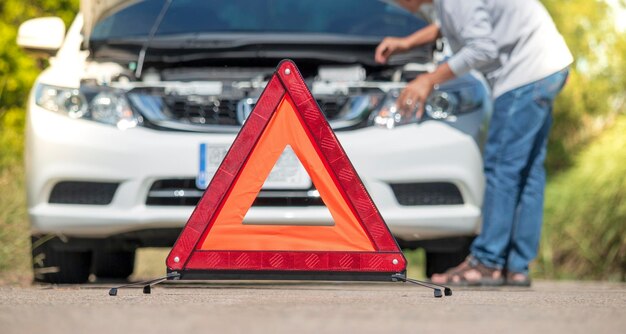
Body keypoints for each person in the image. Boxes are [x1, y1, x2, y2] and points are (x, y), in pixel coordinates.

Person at [376, 0, 572, 286]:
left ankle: (487, 262)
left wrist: (429, 80)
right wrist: (407, 42)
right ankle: (516, 266)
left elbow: (482, 47)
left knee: (502, 167)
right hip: (547, 65)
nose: (395, 4)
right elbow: (449, 25)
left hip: (526, 73)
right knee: (527, 171)